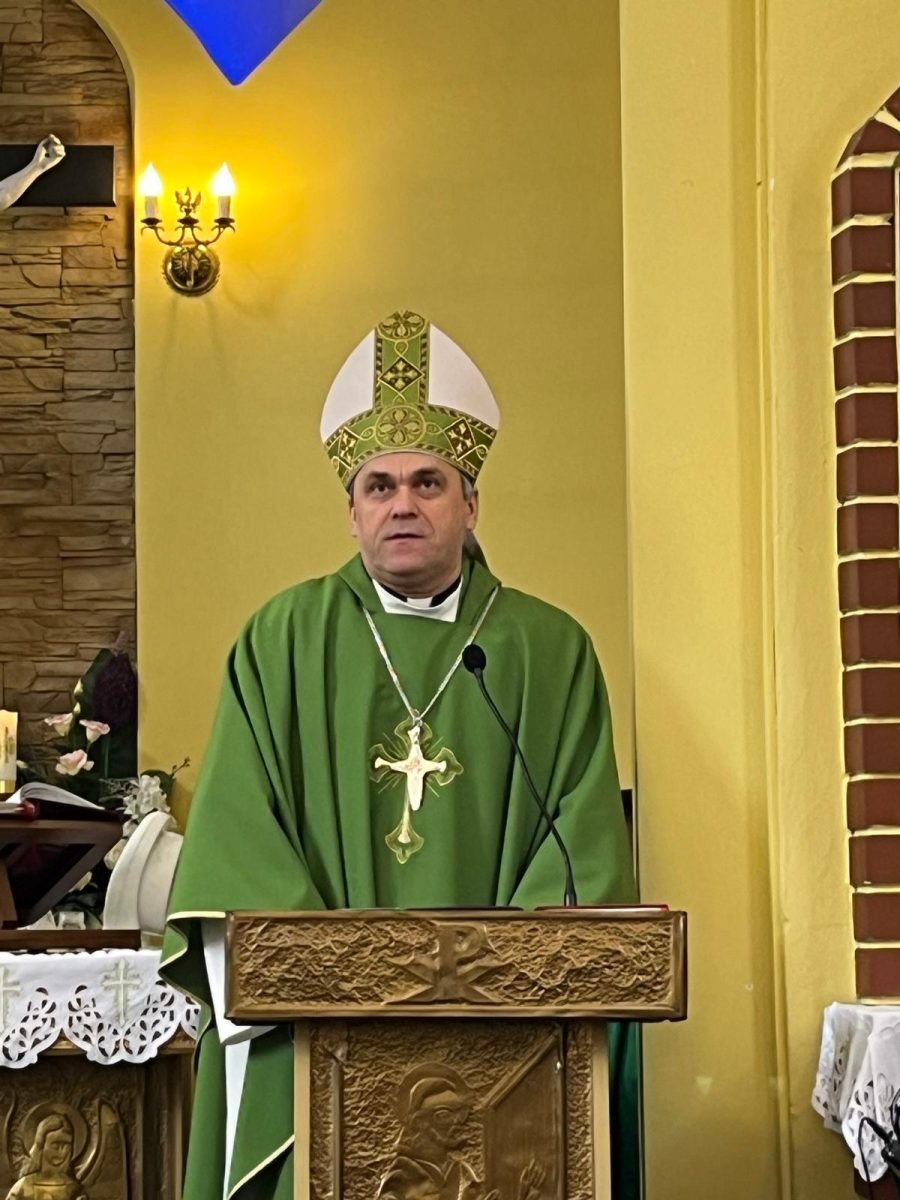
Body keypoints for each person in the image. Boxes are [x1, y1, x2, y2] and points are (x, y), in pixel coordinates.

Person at [160, 309, 638, 1200]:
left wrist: (480, 978)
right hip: (319, 1038)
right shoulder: (282, 641)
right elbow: (236, 841)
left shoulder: (549, 650)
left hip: (502, 1050)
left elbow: (582, 849)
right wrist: (351, 973)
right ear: (351, 514)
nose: (403, 505)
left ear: (470, 504)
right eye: (378, 486)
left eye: (428, 482)